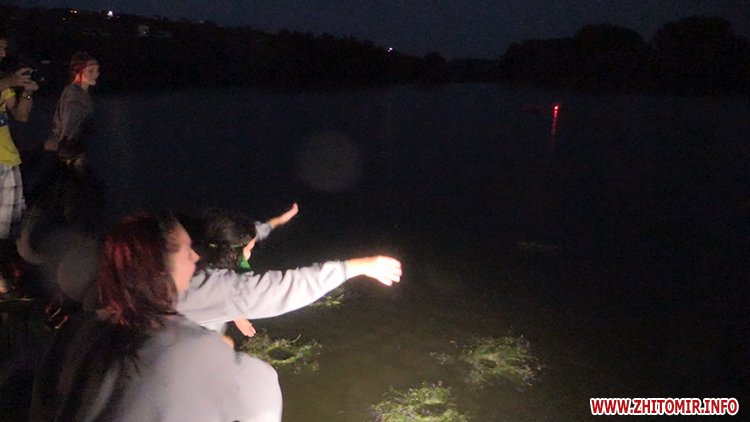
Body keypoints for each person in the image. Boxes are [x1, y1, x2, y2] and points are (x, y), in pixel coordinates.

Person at [30, 213, 283, 421]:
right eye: (186, 250)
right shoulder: (178, 341)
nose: (195, 256)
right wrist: (223, 353)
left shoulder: (75, 334)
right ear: (156, 266)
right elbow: (261, 398)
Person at [177, 203, 403, 336]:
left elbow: (255, 233)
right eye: (248, 250)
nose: (250, 254)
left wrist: (278, 221)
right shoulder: (210, 288)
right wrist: (357, 266)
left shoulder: (196, 248)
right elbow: (283, 288)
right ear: (228, 252)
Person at [0, 30, 38, 240]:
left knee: (10, 232)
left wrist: (27, 92)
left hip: (8, 159)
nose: (3, 54)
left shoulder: (3, 82)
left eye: (5, 49)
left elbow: (21, 115)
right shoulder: (4, 81)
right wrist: (10, 80)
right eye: (0, 48)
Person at [44, 51, 99, 168]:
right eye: (90, 71)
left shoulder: (80, 93)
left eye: (97, 71)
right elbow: (69, 123)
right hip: (70, 151)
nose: (95, 75)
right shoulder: (74, 95)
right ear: (78, 71)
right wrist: (67, 147)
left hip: (72, 148)